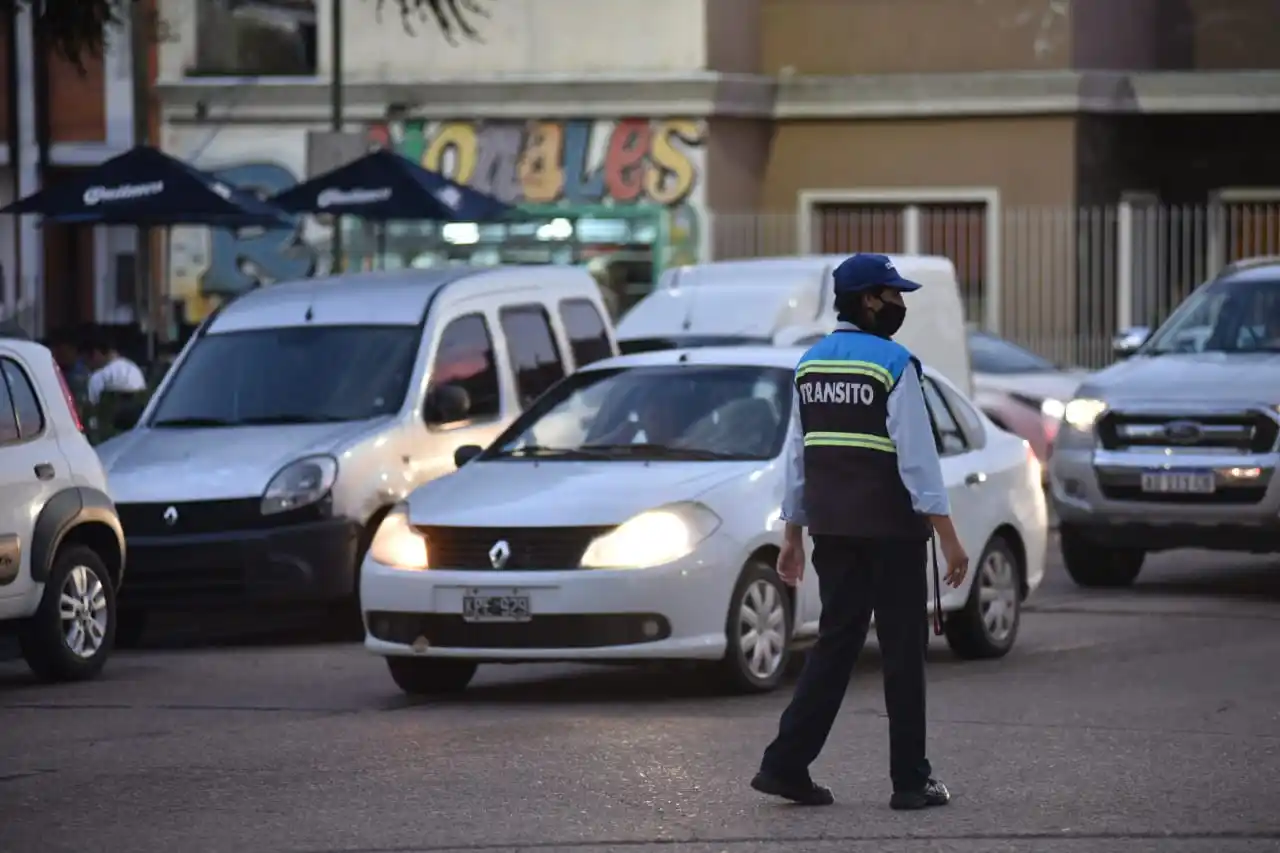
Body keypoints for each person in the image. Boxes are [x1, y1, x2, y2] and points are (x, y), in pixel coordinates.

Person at [750, 252, 970, 810]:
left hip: (833, 532)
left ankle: (785, 765)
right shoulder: (895, 364)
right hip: (892, 533)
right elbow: (917, 460)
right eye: (894, 294)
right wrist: (947, 534)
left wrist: (794, 535)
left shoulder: (810, 366)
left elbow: (798, 459)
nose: (900, 304)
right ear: (869, 300)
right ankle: (910, 781)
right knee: (901, 651)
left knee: (834, 646)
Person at [82, 325, 147, 406]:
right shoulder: (135, 370)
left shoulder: (98, 378)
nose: (87, 366)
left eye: (86, 361)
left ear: (96, 353)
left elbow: (93, 408)